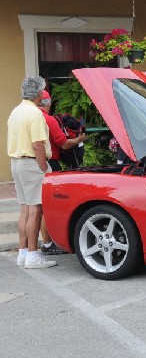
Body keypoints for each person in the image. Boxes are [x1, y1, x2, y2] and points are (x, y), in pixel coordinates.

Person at [7, 76, 56, 268]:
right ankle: (33, 255)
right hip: (31, 163)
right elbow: (37, 144)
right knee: (36, 210)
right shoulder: (34, 114)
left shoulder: (15, 111)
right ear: (38, 93)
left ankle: (23, 252)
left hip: (17, 162)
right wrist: (43, 167)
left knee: (25, 209)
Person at [37, 90, 86, 255]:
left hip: (30, 163)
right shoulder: (48, 119)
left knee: (33, 207)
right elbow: (63, 143)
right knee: (48, 206)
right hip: (49, 163)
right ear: (47, 103)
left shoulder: (28, 118)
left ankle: (35, 246)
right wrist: (79, 140)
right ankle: (48, 243)